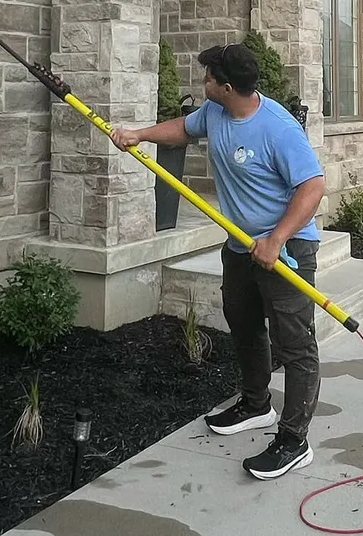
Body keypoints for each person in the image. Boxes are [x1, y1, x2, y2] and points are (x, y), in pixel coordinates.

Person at [109, 42, 326, 481]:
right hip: (239, 247)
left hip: (285, 250)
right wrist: (140, 134)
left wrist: (276, 237)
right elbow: (184, 130)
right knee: (244, 325)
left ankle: (294, 439)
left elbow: (314, 188)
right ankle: (256, 403)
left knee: (295, 344)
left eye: (208, 78)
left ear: (226, 87)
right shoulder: (215, 112)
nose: (202, 83)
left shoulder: (278, 129)